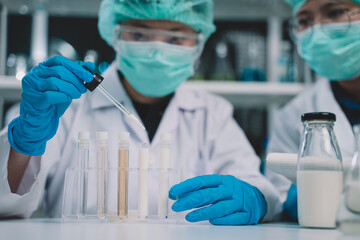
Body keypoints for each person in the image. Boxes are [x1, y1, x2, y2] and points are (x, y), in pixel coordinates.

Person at [0, 0, 282, 224]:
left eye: (175, 38)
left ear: (198, 44)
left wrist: (255, 198)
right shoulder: (66, 106)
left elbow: (259, 186)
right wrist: (25, 141)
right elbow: (6, 201)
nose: (157, 51)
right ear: (115, 35)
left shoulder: (212, 113)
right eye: (139, 33)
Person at [266, 0, 360, 220]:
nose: (317, 30)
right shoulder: (293, 115)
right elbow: (279, 198)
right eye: (304, 20)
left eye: (336, 12)